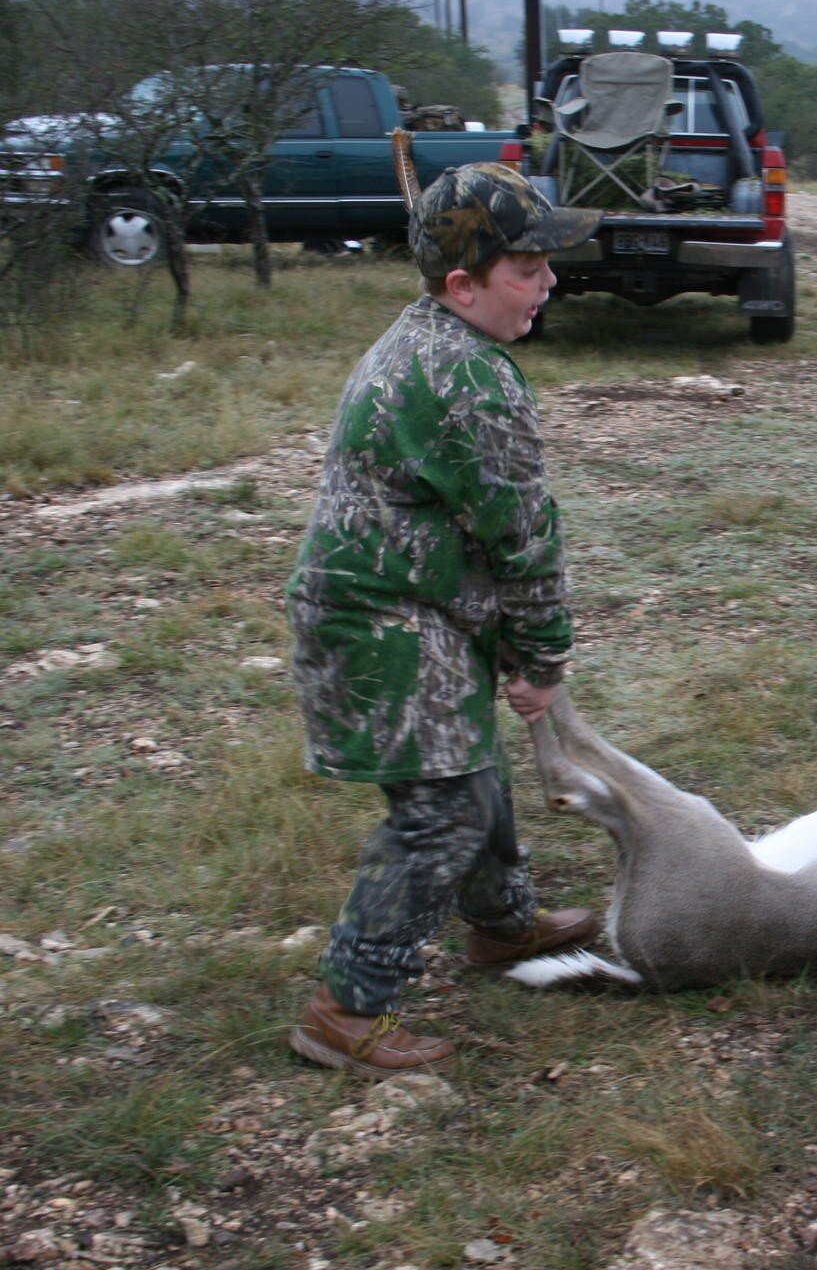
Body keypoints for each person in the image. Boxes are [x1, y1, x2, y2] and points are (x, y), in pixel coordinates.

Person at [284, 163, 605, 1076]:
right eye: (526, 270)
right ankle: (346, 1010)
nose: (548, 284)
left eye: (548, 265)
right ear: (461, 285)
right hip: (378, 620)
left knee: (467, 770)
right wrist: (539, 656)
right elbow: (522, 537)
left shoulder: (426, 333)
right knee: (443, 809)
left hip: (402, 604)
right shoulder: (470, 379)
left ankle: (503, 926)